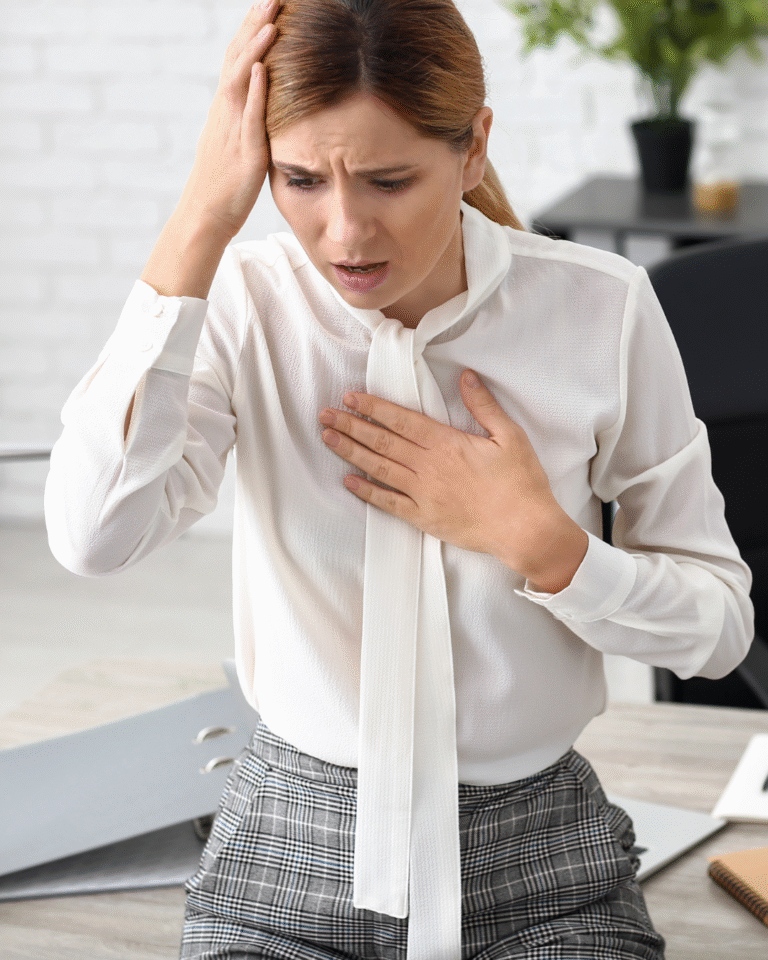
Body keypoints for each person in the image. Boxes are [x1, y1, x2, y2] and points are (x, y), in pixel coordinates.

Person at [44, 1, 753, 958]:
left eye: (388, 180)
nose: (344, 233)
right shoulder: (247, 304)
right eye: (298, 180)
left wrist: (543, 544)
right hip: (281, 859)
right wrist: (200, 222)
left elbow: (720, 627)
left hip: (545, 871)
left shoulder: (602, 309)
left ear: (473, 150)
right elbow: (93, 535)